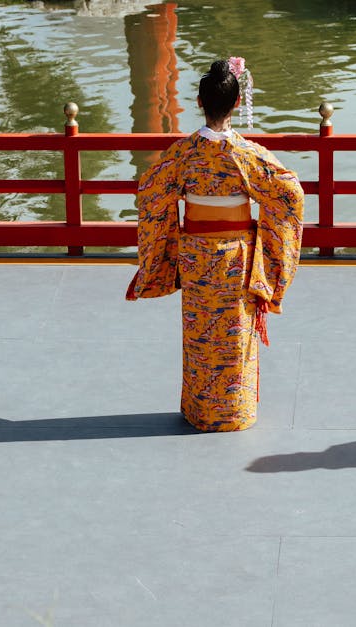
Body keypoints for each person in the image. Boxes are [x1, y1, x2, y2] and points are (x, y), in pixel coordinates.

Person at [126, 57, 305, 432]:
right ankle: (235, 411)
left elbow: (150, 191)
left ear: (199, 102)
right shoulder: (247, 155)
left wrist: (167, 243)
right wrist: (266, 243)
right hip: (236, 258)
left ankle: (200, 410)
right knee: (235, 334)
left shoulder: (183, 153)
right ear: (237, 104)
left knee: (199, 334)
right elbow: (290, 194)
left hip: (195, 255)